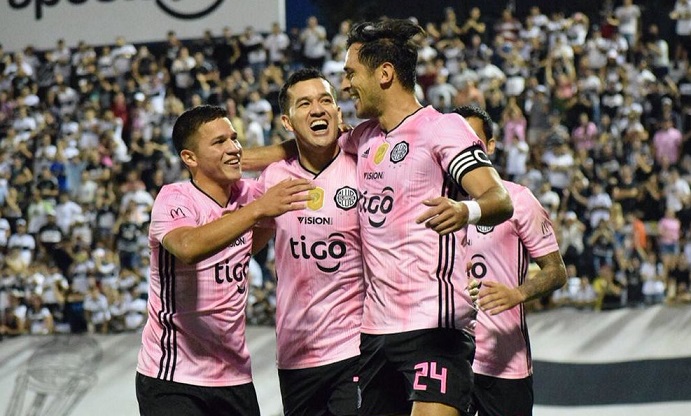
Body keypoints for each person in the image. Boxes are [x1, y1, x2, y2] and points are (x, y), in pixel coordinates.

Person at [339, 20, 512, 416]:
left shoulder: (442, 128)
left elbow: (499, 198)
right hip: (375, 332)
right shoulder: (363, 138)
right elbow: (305, 148)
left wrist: (464, 210)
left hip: (434, 325)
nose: (345, 85)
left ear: (384, 73)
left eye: (351, 73)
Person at [135, 105, 314, 416]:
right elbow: (188, 247)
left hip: (234, 374)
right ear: (190, 158)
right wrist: (259, 210)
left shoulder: (249, 194)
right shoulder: (175, 197)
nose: (233, 148)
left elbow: (244, 247)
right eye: (219, 142)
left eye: (234, 138)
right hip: (173, 375)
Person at [250, 68, 363, 416]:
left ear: (338, 114)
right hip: (295, 355)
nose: (317, 109)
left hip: (355, 348)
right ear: (287, 121)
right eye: (304, 104)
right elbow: (247, 246)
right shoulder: (274, 177)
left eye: (325, 100)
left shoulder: (363, 167)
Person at [454, 105, 567, 416]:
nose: (464, 152)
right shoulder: (436, 200)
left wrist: (517, 293)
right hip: (450, 358)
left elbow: (556, 272)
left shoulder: (518, 199)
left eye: (473, 142)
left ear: (490, 146)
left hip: (503, 367)